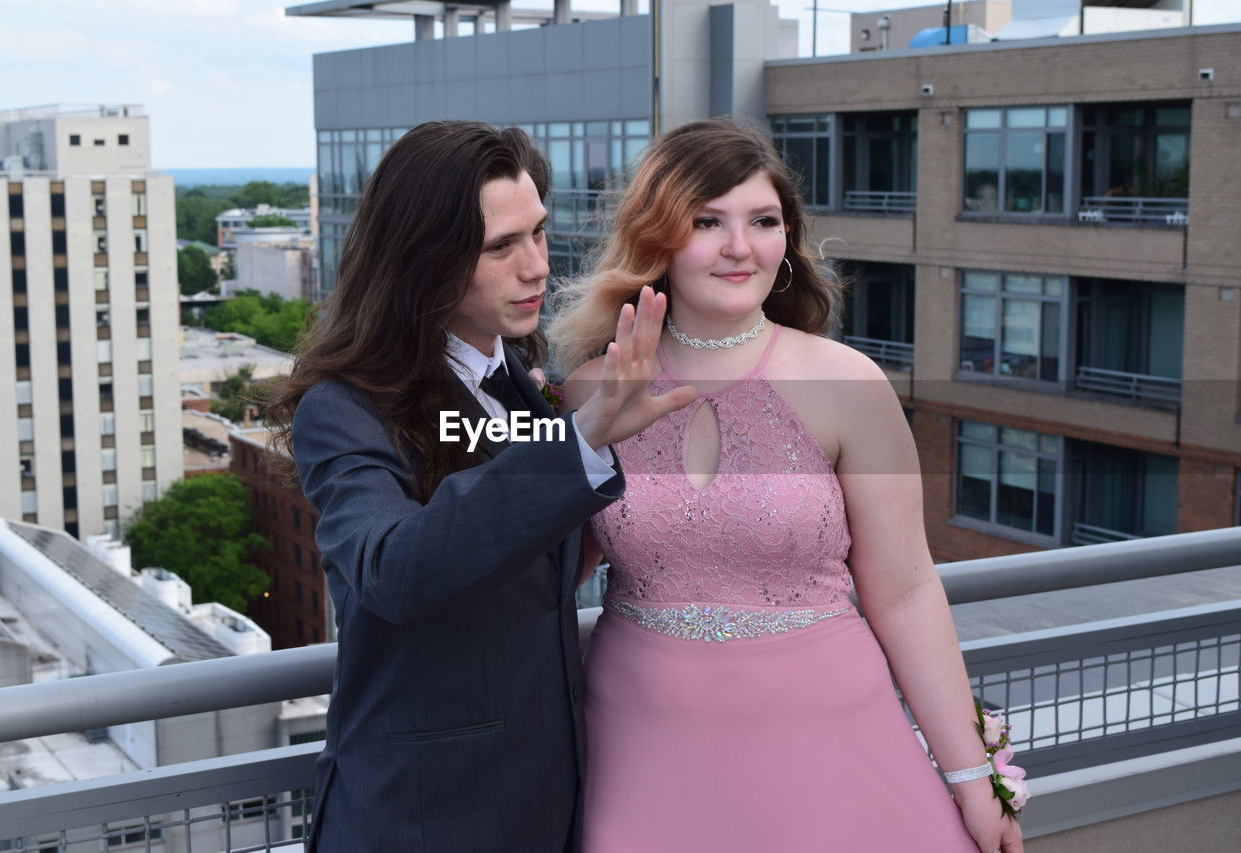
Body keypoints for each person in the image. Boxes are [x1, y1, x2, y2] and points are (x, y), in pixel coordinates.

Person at [551, 119, 1025, 853]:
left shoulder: (850, 385)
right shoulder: (591, 389)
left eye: (763, 221)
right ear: (660, 239)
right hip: (640, 750)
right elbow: (543, 577)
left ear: (787, 240)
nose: (740, 246)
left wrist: (973, 778)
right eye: (707, 221)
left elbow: (905, 590)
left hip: (831, 746)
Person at [268, 121, 694, 851]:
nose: (537, 267)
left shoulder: (524, 387)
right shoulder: (344, 408)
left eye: (538, 233)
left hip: (549, 807)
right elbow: (393, 568)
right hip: (421, 820)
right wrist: (581, 440)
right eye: (502, 246)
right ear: (423, 258)